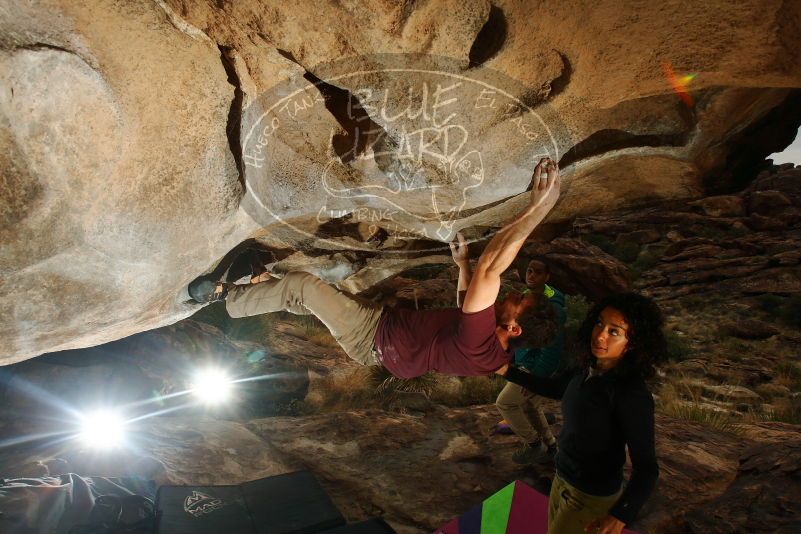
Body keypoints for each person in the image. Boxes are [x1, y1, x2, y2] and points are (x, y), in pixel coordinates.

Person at [188, 158, 561, 378]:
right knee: (313, 299)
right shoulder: (493, 350)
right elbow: (466, 302)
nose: (514, 292)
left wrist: (536, 209)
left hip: (373, 339)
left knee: (304, 287)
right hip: (385, 329)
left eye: (520, 301)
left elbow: (490, 273)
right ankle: (262, 282)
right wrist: (463, 264)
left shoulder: (481, 346)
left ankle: (228, 299)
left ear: (515, 327)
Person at [495, 293, 665, 534]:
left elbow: (647, 468)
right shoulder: (586, 367)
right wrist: (507, 371)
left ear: (633, 342)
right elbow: (556, 389)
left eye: (614, 331)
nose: (600, 335)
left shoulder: (631, 394)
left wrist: (619, 516)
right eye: (599, 323)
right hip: (561, 479)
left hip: (590, 497)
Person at [495, 258, 566, 465]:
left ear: (547, 277)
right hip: (526, 365)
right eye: (529, 271)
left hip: (535, 370)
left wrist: (535, 377)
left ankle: (533, 445)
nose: (531, 275)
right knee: (531, 407)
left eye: (537, 272)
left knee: (505, 403)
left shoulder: (554, 307)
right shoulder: (527, 297)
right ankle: (552, 446)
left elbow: (553, 348)